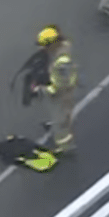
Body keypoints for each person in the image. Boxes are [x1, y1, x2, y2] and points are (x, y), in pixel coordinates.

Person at [32, 25, 78, 154]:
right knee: (62, 116)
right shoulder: (63, 48)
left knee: (61, 121)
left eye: (44, 46)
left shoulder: (61, 64)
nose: (42, 49)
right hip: (64, 89)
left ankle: (64, 146)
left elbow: (57, 88)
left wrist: (40, 89)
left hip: (62, 95)